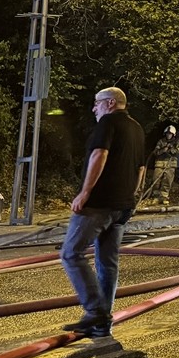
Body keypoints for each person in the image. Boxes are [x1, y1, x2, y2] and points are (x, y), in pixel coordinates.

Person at [59, 87, 145, 338]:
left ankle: (95, 310)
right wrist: (129, 196)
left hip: (99, 204)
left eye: (96, 103)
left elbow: (99, 154)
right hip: (122, 207)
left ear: (110, 103)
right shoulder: (137, 128)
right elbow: (141, 168)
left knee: (70, 253)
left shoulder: (107, 123)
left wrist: (85, 192)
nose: (93, 108)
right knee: (107, 263)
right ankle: (102, 324)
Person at [150, 125, 179, 205]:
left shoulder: (177, 142)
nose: (168, 135)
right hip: (159, 164)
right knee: (156, 181)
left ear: (173, 134)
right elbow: (155, 152)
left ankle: (164, 197)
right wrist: (163, 150)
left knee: (167, 181)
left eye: (170, 134)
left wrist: (172, 149)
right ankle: (156, 197)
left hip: (170, 165)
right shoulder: (161, 141)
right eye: (167, 133)